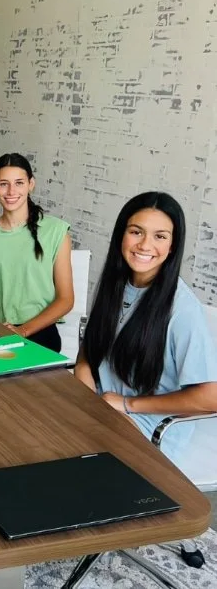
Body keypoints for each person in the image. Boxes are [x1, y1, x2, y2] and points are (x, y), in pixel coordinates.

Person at [74, 192, 217, 465]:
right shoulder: (112, 286)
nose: (145, 245)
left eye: (160, 236)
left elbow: (211, 397)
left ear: (172, 246)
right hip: (103, 408)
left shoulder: (181, 308)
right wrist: (87, 397)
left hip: (149, 428)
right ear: (121, 236)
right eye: (136, 232)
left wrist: (128, 405)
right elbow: (88, 355)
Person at [0, 153, 74, 352]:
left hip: (40, 334)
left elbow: (66, 299)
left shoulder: (56, 231)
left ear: (31, 184)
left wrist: (22, 331)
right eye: (3, 184)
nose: (11, 191)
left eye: (19, 183)